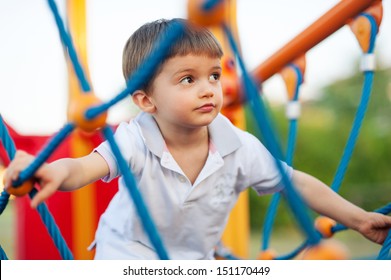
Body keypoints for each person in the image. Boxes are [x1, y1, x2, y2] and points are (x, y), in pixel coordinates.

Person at [4, 18, 391, 260]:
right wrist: (48, 169)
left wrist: (358, 220)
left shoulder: (238, 145)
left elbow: (296, 182)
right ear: (145, 99)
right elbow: (85, 166)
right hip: (128, 255)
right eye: (188, 79)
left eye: (214, 76)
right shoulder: (136, 138)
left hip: (193, 258)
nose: (208, 89)